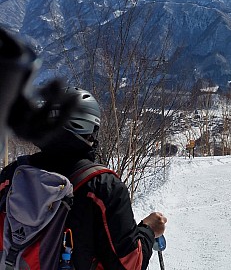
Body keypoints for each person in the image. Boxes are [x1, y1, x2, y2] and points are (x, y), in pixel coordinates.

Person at [0, 28, 167, 270]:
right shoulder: (102, 188)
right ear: (91, 130)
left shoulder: (12, 175)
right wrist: (149, 230)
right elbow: (129, 264)